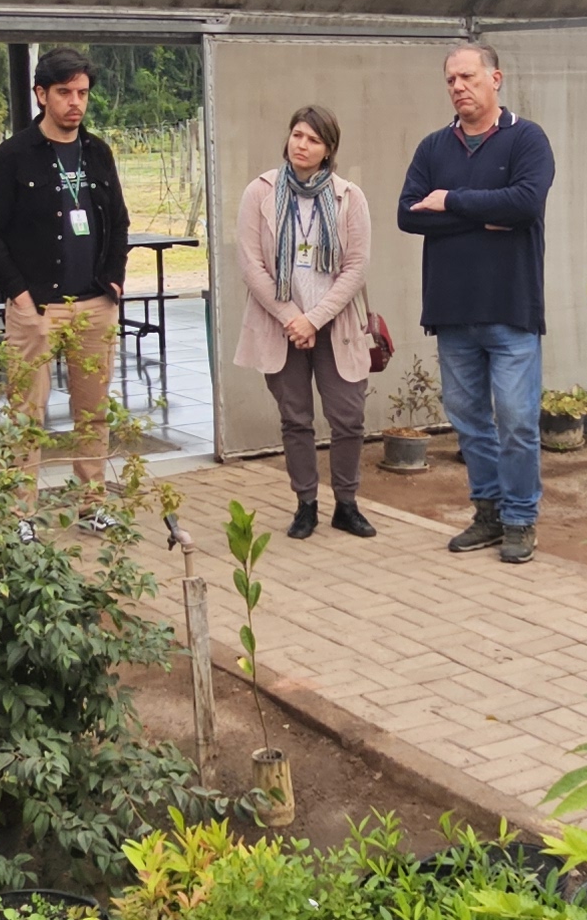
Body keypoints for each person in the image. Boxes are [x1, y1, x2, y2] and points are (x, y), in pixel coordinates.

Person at [397, 43, 557, 564]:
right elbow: (408, 215)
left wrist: (451, 200)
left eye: (468, 77)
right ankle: (487, 512)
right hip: (452, 310)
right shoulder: (432, 148)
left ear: (496, 79)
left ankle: (519, 519)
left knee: (515, 419)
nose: (459, 87)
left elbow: (525, 202)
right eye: (451, 80)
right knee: (469, 421)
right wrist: (485, 212)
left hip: (510, 308)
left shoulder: (527, 139)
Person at [0, 48, 130, 488]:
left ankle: (92, 503)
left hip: (95, 304)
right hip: (36, 307)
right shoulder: (14, 156)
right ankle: (22, 512)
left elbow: (118, 222)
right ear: (41, 94)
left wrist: (113, 281)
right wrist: (20, 294)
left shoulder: (98, 153)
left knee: (93, 414)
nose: (75, 102)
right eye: (64, 92)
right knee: (27, 416)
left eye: (82, 92)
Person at [235, 105, 380, 539]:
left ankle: (347, 504)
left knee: (348, 417)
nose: (302, 145)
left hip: (335, 324)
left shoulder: (348, 196)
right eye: (297, 135)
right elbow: (250, 264)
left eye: (313, 139)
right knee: (295, 418)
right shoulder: (259, 192)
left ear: (328, 149)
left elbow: (356, 266)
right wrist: (292, 317)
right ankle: (306, 504)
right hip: (280, 325)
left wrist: (315, 318)